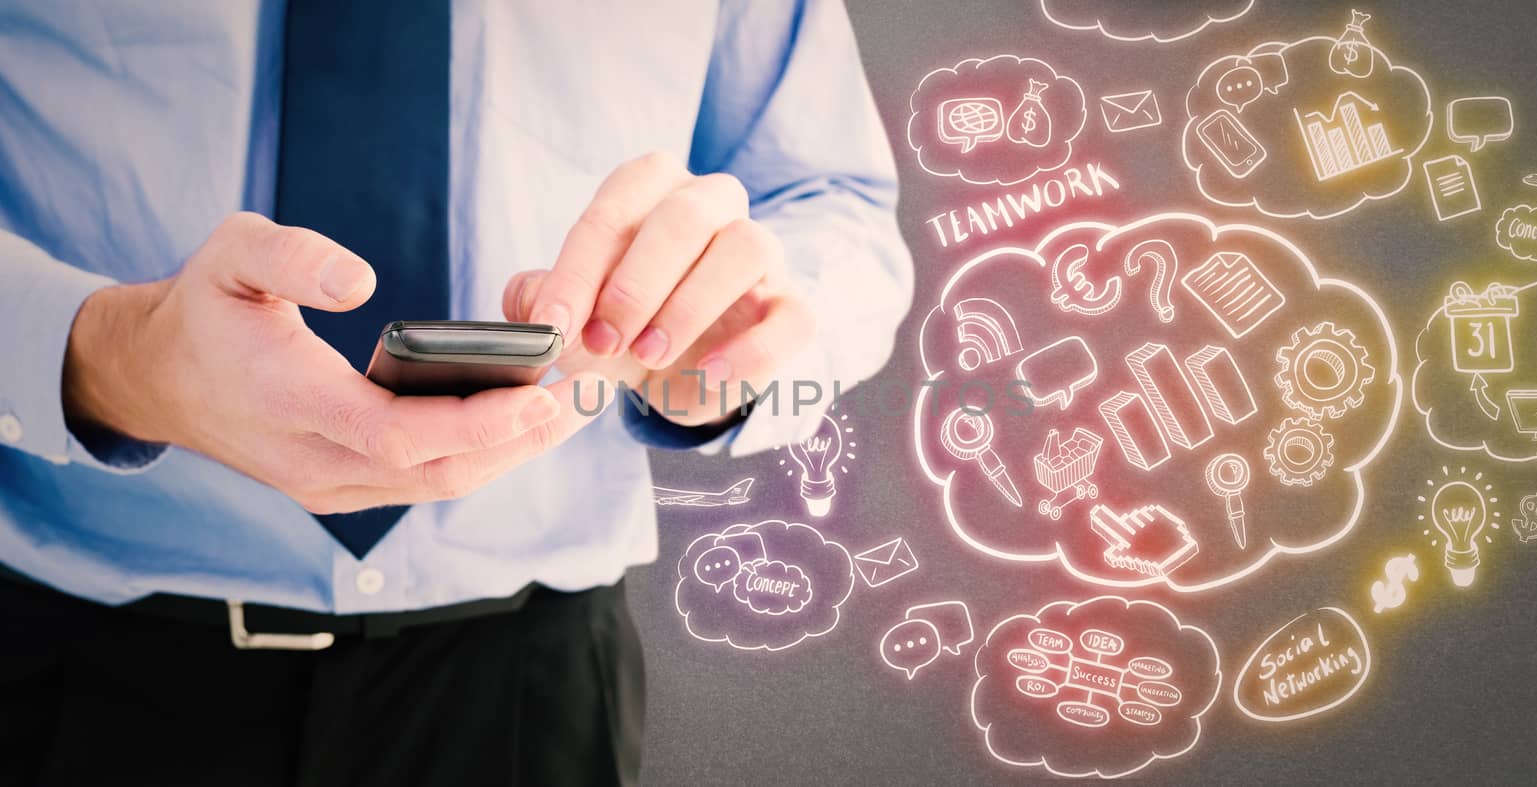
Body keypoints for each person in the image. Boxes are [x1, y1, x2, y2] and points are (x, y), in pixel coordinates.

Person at [0, 1, 912, 784]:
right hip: (72, 660)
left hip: (529, 694)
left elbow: (835, 206)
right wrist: (109, 357)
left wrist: (726, 341)